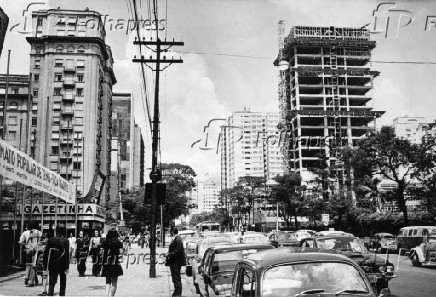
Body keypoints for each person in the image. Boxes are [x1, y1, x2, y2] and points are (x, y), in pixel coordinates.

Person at [42, 230, 69, 296]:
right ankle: (62, 294)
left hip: (53, 263)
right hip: (63, 264)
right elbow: (67, 254)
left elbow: (46, 254)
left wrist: (45, 266)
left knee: (52, 281)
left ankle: (50, 294)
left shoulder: (51, 240)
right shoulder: (66, 241)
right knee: (63, 280)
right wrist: (67, 267)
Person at [101, 230, 123, 296]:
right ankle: (111, 296)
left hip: (106, 263)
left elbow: (101, 253)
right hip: (115, 263)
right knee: (114, 281)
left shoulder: (104, 242)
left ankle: (106, 295)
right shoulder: (119, 243)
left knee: (107, 281)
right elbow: (121, 254)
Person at [20, 221, 42, 287]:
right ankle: (34, 280)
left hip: (28, 250)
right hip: (36, 250)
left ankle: (28, 278)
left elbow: (21, 242)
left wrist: (26, 245)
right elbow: (40, 241)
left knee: (28, 265)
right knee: (33, 265)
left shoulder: (25, 233)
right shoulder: (39, 232)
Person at [166, 228, 186, 297]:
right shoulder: (176, 238)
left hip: (176, 262)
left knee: (176, 277)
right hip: (174, 262)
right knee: (175, 277)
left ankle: (178, 293)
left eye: (170, 232)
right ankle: (176, 291)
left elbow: (178, 251)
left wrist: (169, 254)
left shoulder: (178, 239)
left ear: (172, 232)